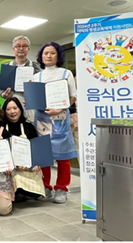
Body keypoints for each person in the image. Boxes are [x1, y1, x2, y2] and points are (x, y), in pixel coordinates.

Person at [33, 42, 77, 204]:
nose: (49, 56)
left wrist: (59, 110)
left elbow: (72, 97)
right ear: (41, 56)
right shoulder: (36, 76)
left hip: (60, 119)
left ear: (58, 55)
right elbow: (34, 96)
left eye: (52, 53)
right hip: (41, 119)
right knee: (44, 155)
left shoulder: (66, 73)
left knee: (63, 156)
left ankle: (61, 188)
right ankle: (45, 186)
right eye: (46, 53)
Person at [0, 98, 45, 201]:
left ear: (20, 109)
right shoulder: (1, 128)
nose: (12, 112)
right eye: (8, 109)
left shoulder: (29, 127)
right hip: (9, 170)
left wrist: (35, 164)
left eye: (15, 108)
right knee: (15, 180)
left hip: (27, 169)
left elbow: (37, 150)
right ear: (4, 111)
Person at [0, 36, 42, 123]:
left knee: (31, 132)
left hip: (31, 108)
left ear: (28, 49)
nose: (21, 48)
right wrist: (4, 95)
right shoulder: (7, 68)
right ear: (14, 48)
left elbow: (41, 91)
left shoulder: (36, 67)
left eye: (24, 46)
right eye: (18, 46)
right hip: (13, 110)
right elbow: (2, 93)